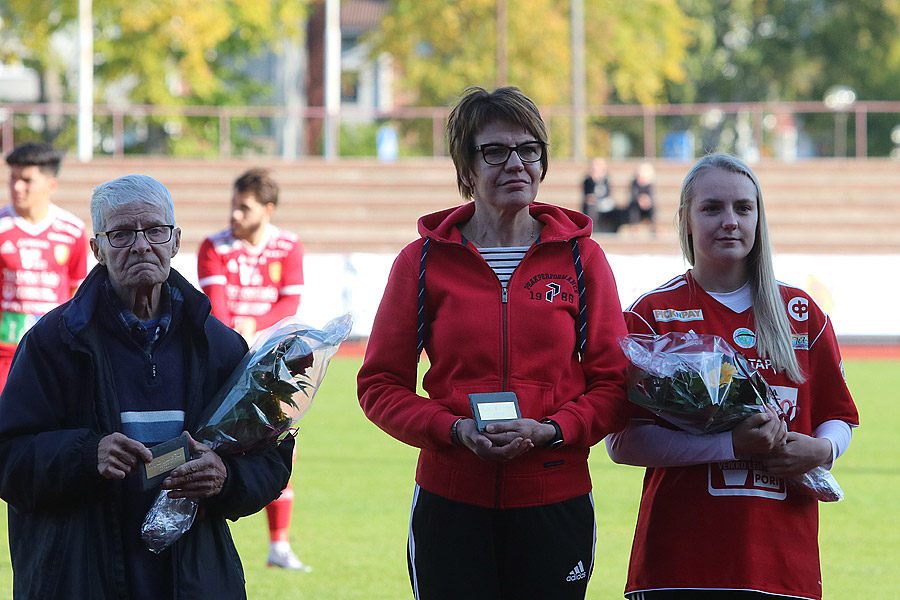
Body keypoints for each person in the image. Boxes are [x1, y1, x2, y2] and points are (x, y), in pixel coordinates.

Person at [357, 86, 634, 600]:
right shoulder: (421, 261)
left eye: (529, 149)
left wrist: (552, 430)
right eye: (495, 151)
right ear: (467, 164)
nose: (516, 164)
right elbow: (379, 385)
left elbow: (615, 385)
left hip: (555, 496)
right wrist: (454, 428)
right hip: (451, 500)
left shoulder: (582, 259)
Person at [0, 174, 293, 599]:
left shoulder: (220, 346)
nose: (141, 245)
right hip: (83, 577)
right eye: (121, 234)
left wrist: (226, 477)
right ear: (96, 249)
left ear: (175, 241)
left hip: (192, 579)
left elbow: (268, 459)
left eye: (154, 230)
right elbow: (8, 459)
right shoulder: (54, 343)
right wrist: (86, 454)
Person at [605, 154, 860, 599]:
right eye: (712, 208)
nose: (730, 221)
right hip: (679, 565)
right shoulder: (650, 316)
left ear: (759, 219)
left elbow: (839, 417)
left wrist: (822, 449)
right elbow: (622, 442)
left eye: (743, 208)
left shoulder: (802, 314)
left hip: (784, 567)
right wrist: (729, 444)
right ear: (685, 219)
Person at [196, 168, 308, 571]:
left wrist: (257, 328)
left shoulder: (288, 246)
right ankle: (191, 532)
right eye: (233, 204)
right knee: (202, 450)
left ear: (268, 209)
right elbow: (217, 305)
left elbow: (289, 306)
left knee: (276, 452)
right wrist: (238, 334)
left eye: (244, 207)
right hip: (225, 365)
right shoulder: (213, 246)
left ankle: (279, 547)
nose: (235, 214)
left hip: (270, 372)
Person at [1, 142, 87, 390]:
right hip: (5, 354)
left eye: (26, 180)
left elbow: (75, 292)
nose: (17, 187)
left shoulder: (72, 230)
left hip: (53, 350)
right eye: (13, 178)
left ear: (51, 184)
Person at [582, 157, 618, 233]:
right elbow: (588, 195)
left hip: (604, 203)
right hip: (593, 204)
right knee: (591, 207)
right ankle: (593, 230)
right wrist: (593, 180)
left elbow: (608, 194)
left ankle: (612, 230)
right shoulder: (588, 181)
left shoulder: (606, 180)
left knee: (616, 210)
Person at [627, 161, 656, 230]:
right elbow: (633, 196)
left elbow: (651, 197)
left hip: (646, 208)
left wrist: (647, 201)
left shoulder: (649, 185)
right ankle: (634, 224)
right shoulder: (634, 184)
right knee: (633, 207)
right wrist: (640, 200)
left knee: (653, 206)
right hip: (636, 206)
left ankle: (653, 225)